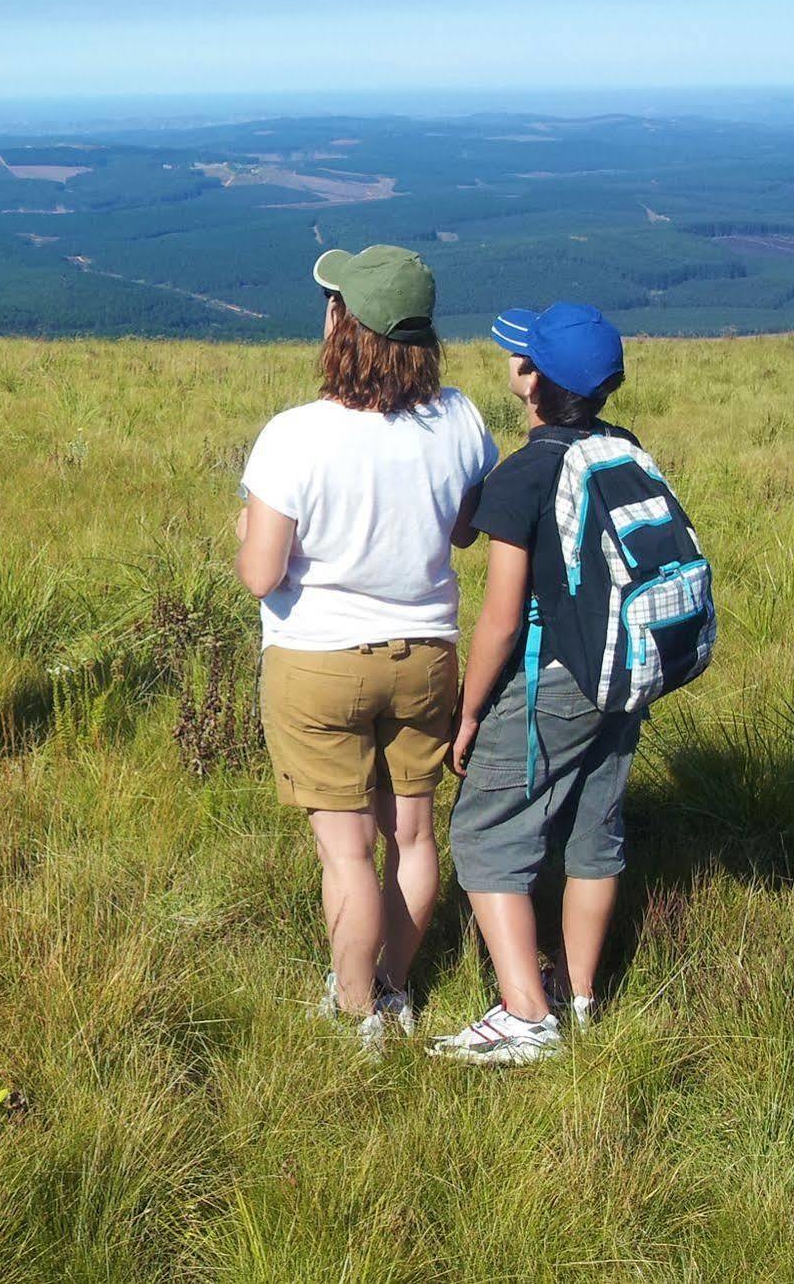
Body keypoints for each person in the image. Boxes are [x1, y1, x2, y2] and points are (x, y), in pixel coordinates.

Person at [236, 246, 499, 1050]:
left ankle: (357, 1011)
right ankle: (394, 985)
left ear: (340, 324)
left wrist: (247, 521)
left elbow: (259, 574)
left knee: (345, 849)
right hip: (424, 654)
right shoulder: (459, 418)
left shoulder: (294, 435)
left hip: (315, 661)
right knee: (412, 836)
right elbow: (461, 529)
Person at [430, 302, 639, 1066]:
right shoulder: (618, 446)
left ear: (532, 381)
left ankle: (526, 1014)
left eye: (520, 354)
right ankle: (580, 1000)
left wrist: (469, 711)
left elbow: (499, 619)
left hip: (552, 677)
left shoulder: (523, 474)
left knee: (482, 835)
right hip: (619, 670)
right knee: (593, 830)